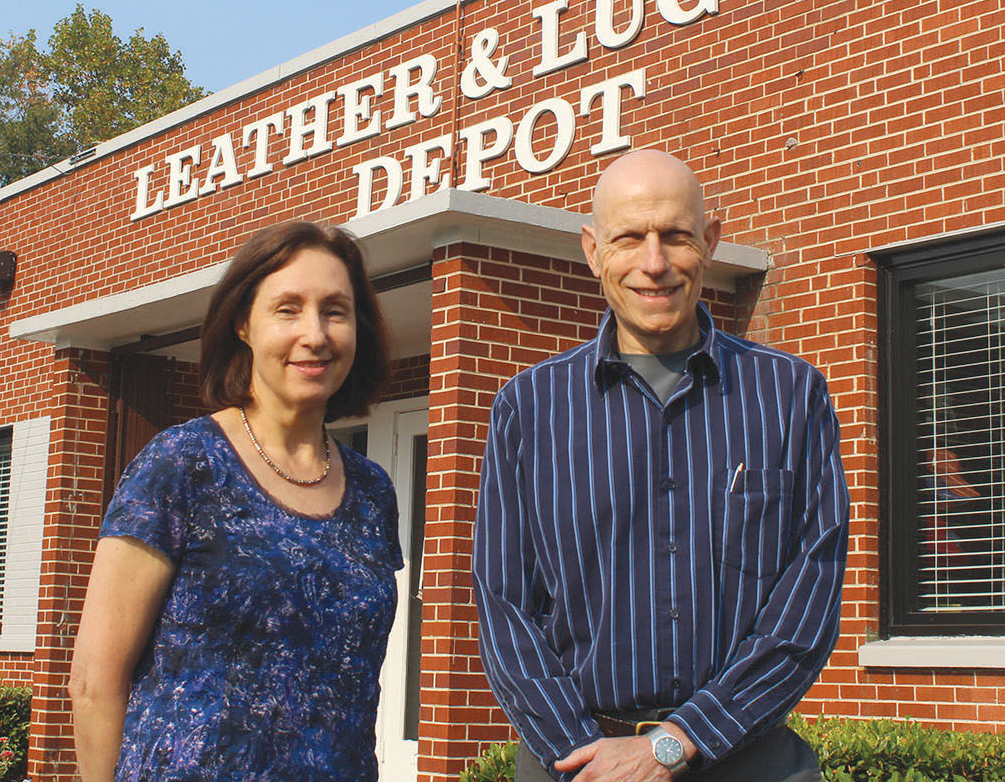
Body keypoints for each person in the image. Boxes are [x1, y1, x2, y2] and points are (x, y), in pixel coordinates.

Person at [473, 150, 848, 782]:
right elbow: (503, 602)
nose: (654, 263)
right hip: (575, 761)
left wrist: (673, 743)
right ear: (594, 251)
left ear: (710, 241)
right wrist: (583, 755)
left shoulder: (790, 397)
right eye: (629, 238)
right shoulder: (527, 407)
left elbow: (810, 592)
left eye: (675, 236)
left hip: (746, 759)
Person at [69, 221, 402, 782]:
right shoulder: (182, 463)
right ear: (243, 324)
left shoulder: (372, 491)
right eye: (288, 309)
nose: (315, 334)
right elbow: (95, 681)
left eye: (336, 311)